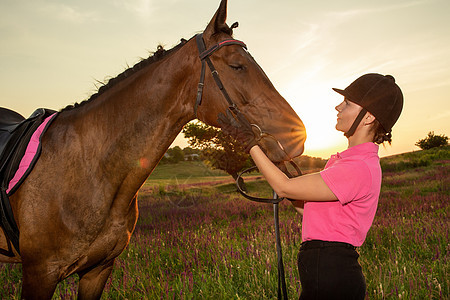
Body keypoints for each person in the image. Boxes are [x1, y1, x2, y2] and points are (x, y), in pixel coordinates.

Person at [217, 73, 403, 300]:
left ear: (368, 117)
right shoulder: (345, 162)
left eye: (347, 103)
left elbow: (284, 188)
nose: (338, 107)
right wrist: (278, 165)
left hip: (331, 274)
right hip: (325, 272)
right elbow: (307, 209)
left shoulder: (359, 167)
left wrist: (250, 144)